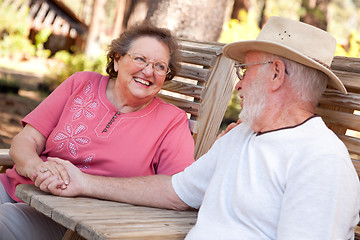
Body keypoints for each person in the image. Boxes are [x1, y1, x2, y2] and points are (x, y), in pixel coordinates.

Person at [26, 16, 360, 239]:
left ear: (275, 74)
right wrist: (84, 182)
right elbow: (174, 191)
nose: (239, 85)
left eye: (245, 70)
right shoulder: (243, 136)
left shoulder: (320, 162)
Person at [0, 21, 195, 240]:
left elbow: (180, 192)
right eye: (140, 59)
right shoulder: (81, 83)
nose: (149, 71)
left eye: (160, 66)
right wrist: (37, 169)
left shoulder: (172, 121)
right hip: (17, 188)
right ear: (117, 59)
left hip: (73, 220)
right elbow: (26, 140)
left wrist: (86, 184)